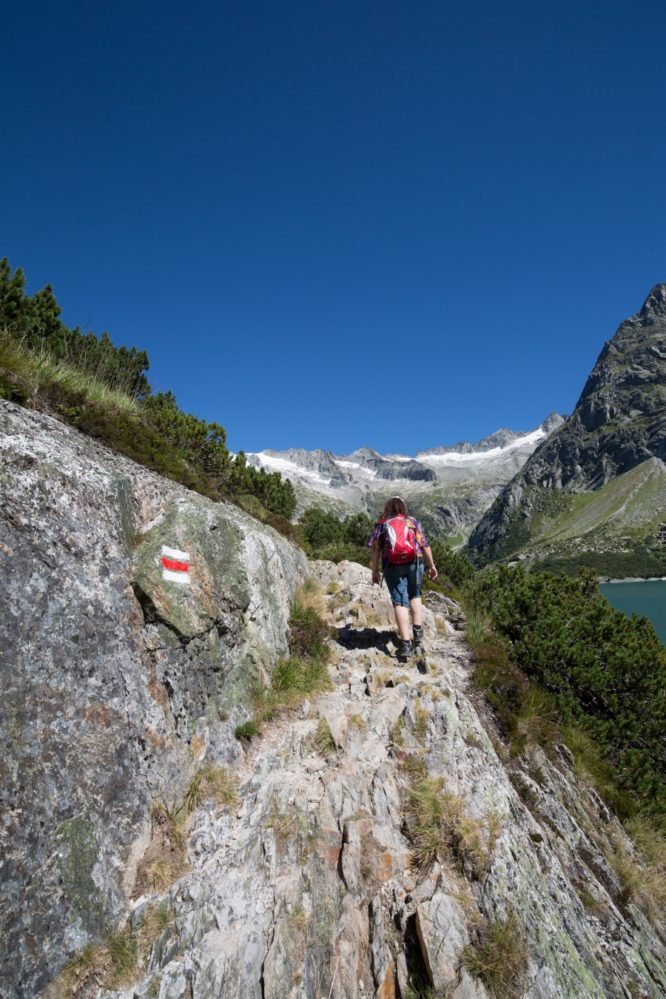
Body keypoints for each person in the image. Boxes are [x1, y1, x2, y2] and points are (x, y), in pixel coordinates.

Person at [368, 496, 438, 661]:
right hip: (416, 562)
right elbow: (424, 544)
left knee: (400, 601)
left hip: (392, 566)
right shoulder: (412, 522)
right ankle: (418, 633)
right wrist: (432, 566)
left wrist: (374, 571)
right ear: (403, 508)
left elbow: (375, 549)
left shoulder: (382, 524)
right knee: (415, 595)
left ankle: (405, 644)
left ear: (388, 509)